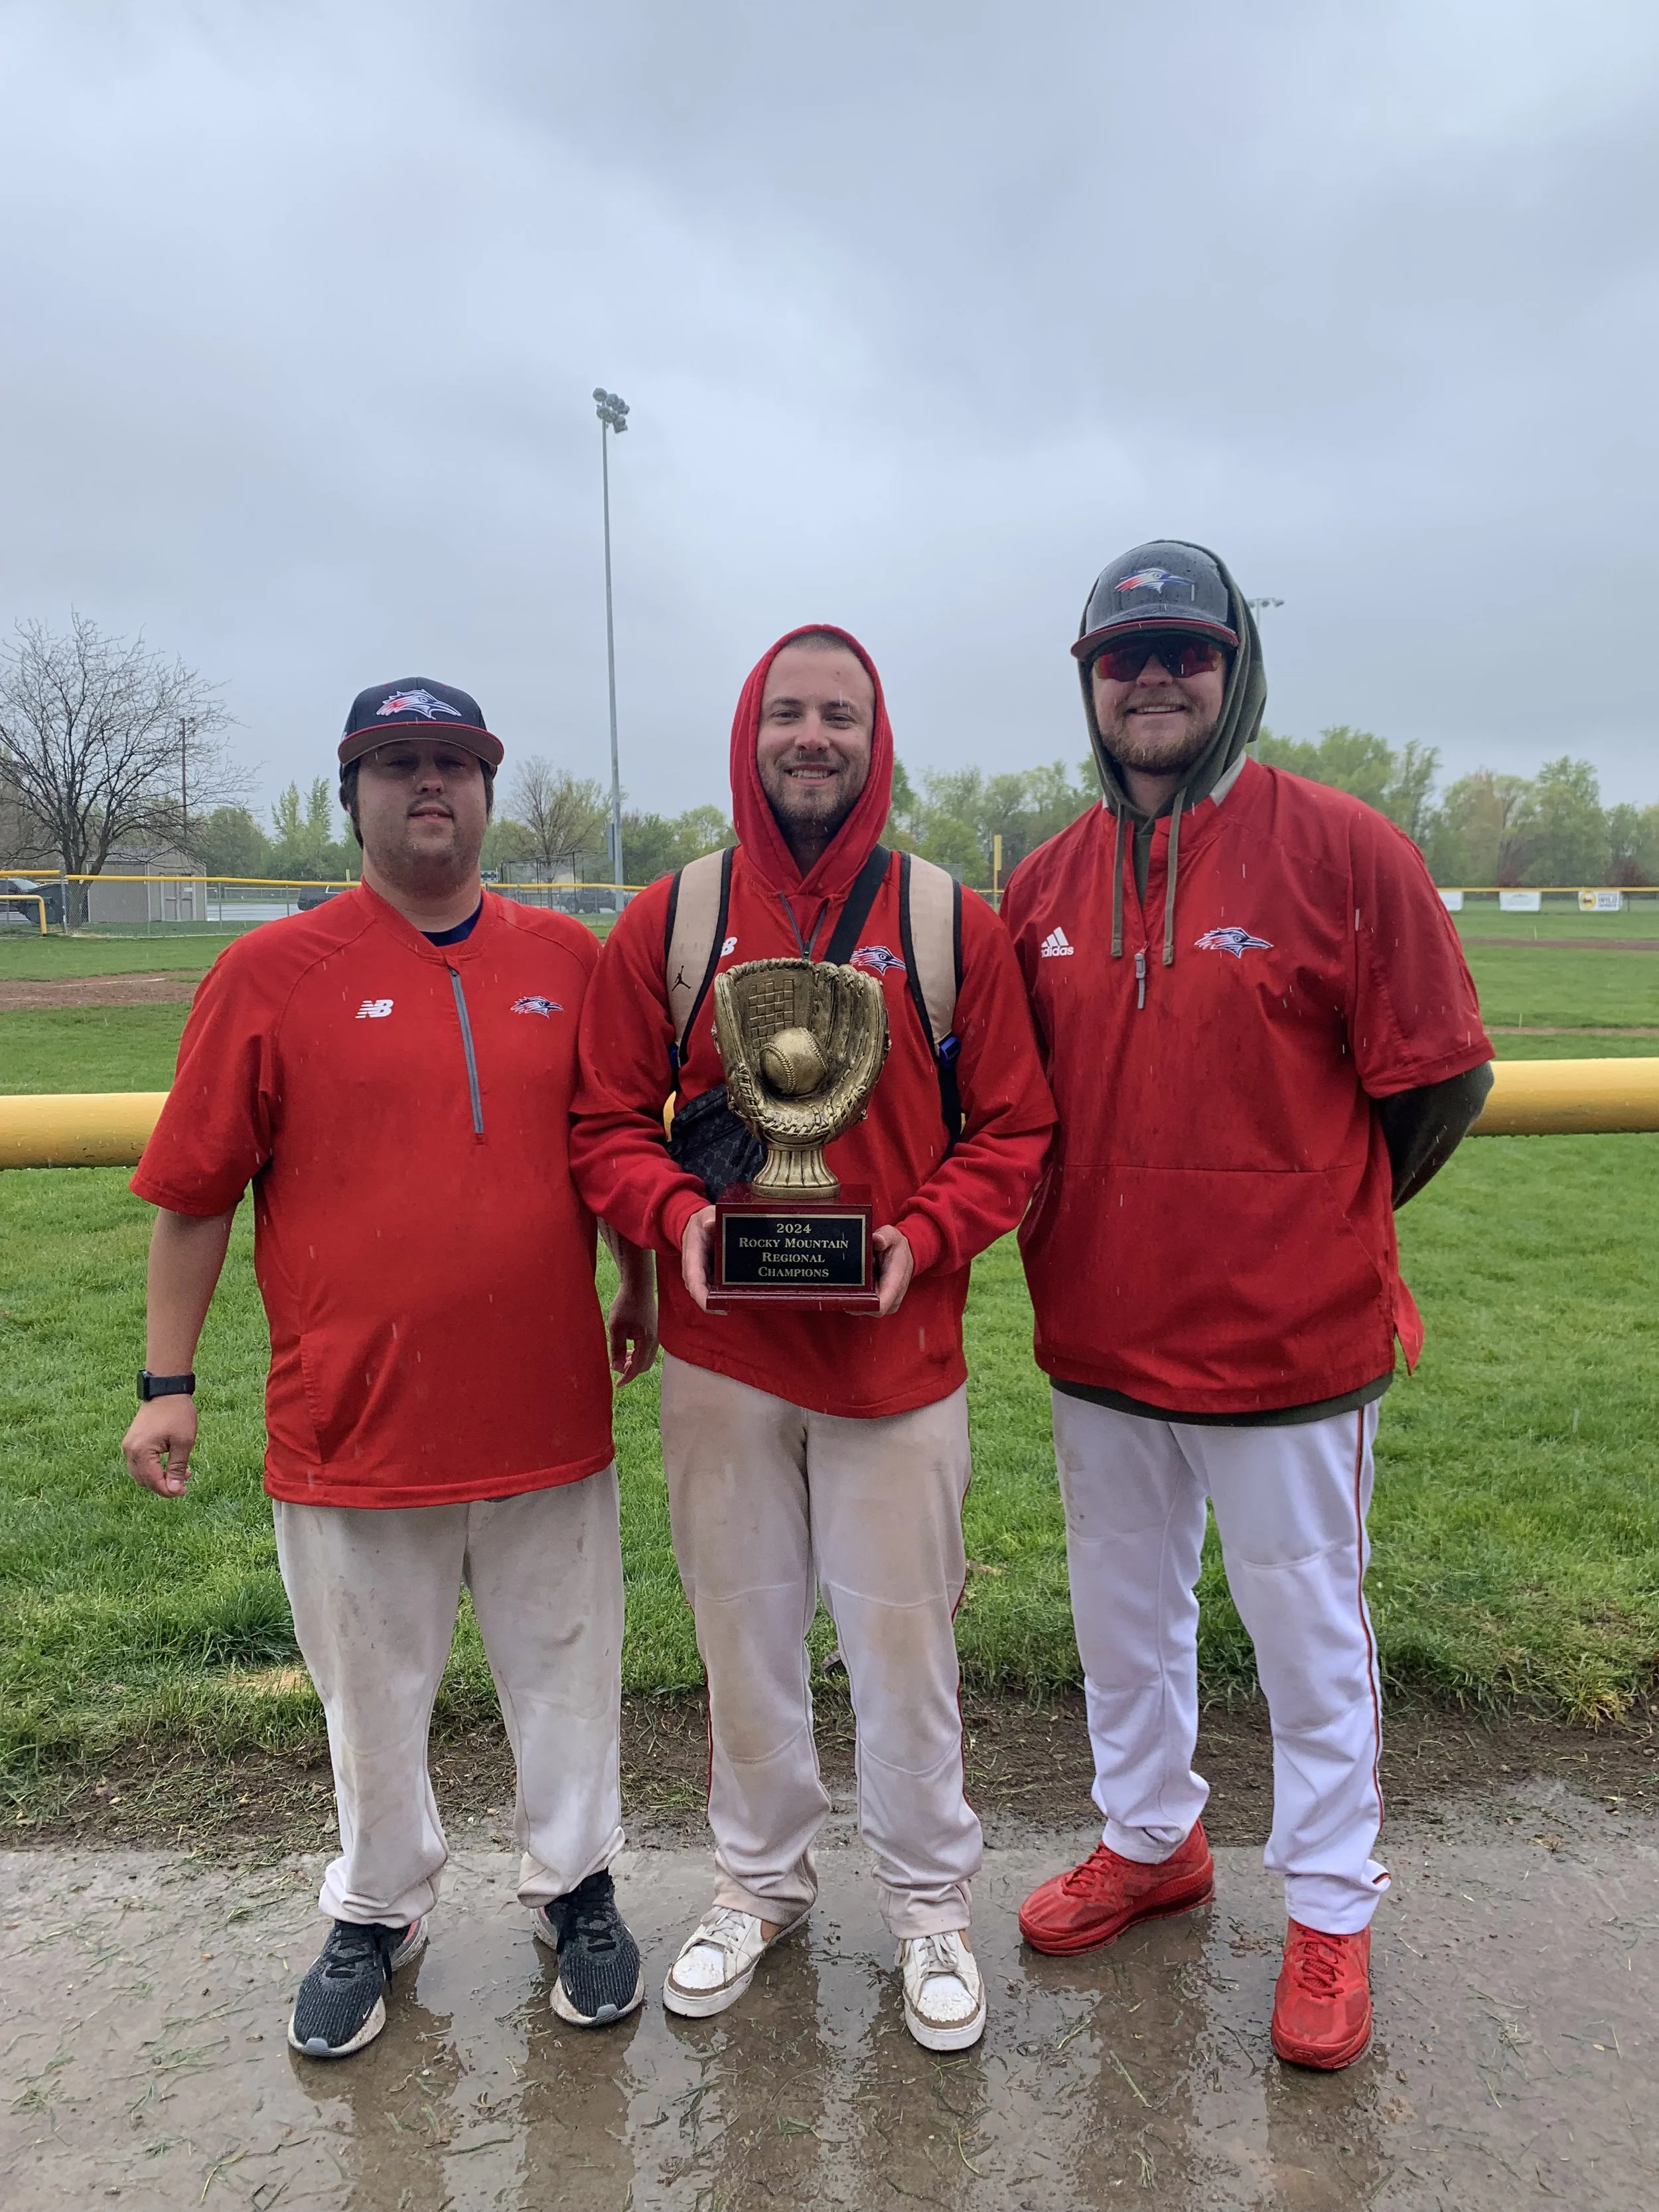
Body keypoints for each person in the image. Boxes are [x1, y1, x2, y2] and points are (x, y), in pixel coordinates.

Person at [1002, 544, 1492, 2070]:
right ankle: (1152, 1839)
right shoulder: (1041, 882)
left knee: (1306, 1639)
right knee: (1121, 1627)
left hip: (1288, 1354)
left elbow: (1436, 1083)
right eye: (1122, 653)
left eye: (1183, 651)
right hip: (1098, 1342)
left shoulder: (1343, 848)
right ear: (1086, 678)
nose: (1152, 678)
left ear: (1234, 668)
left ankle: (1332, 1906)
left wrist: (1298, 1215)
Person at [122, 678, 658, 2059]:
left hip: (544, 1410)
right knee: (369, 1692)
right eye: (396, 763)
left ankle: (574, 1883)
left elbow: (611, 1149)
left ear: (486, 791)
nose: (429, 785)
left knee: (564, 1671)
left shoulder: (568, 957)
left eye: (454, 763)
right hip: (351, 1425)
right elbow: (194, 1191)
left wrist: (643, 1281)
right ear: (351, 792)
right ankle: (378, 1901)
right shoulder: (271, 971)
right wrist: (163, 1381)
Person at [571, 626, 1054, 2051]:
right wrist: (676, 1218)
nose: (810, 737)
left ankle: (925, 1905)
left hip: (893, 1359)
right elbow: (600, 1121)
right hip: (728, 1359)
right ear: (748, 730)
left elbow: (1015, 1127)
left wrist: (920, 1239)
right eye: (786, 712)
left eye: (838, 715)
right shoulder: (671, 916)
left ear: (874, 736)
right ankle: (757, 1881)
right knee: (742, 1634)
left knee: (905, 1645)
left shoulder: (946, 920)